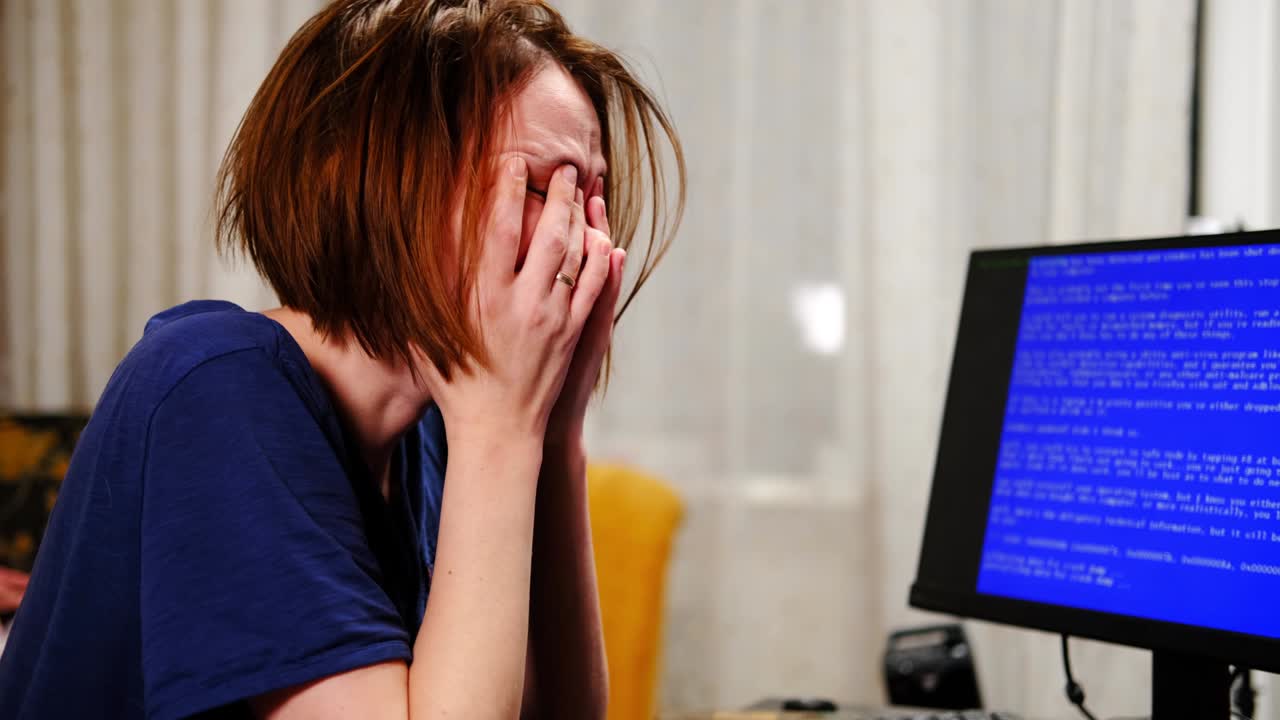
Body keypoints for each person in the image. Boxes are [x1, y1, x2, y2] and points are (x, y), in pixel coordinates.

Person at [0, 0, 684, 718]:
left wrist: (554, 433)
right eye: (543, 189)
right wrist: (504, 432)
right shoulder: (212, 386)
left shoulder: (442, 427)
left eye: (591, 199)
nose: (584, 244)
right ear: (376, 183)